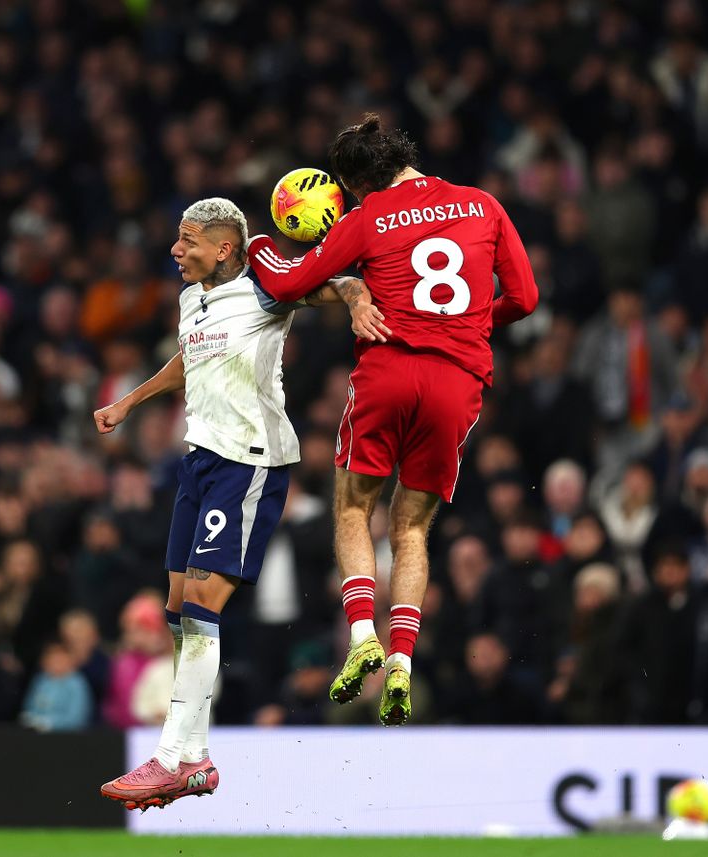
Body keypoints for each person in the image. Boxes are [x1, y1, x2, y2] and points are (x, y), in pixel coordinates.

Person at [247, 114, 538, 726]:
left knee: (355, 507)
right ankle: (403, 661)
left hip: (389, 369)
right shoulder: (482, 205)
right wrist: (469, 328)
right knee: (412, 528)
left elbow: (287, 285)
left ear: (354, 185)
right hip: (457, 383)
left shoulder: (368, 217)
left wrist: (258, 246)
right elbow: (525, 299)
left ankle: (360, 638)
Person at [92, 198, 376, 809]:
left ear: (225, 247)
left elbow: (337, 284)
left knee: (200, 605)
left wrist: (355, 300)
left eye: (187, 240)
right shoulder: (189, 299)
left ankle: (172, 757)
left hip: (248, 461)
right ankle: (194, 759)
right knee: (175, 607)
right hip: (199, 460)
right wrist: (131, 402)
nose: (175, 249)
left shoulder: (265, 289)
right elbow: (189, 360)